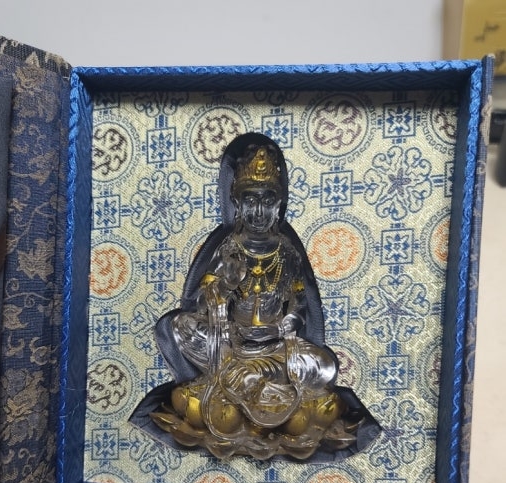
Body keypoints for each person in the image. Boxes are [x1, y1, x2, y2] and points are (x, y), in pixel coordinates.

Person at [138, 133, 366, 460]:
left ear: (278, 204)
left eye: (266, 200)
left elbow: (300, 303)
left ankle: (241, 386)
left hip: (277, 349)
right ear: (237, 202)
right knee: (181, 327)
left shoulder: (286, 252)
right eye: (250, 200)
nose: (258, 210)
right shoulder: (229, 248)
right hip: (233, 345)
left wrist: (284, 325)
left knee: (325, 367)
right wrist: (223, 287)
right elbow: (204, 300)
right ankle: (249, 385)